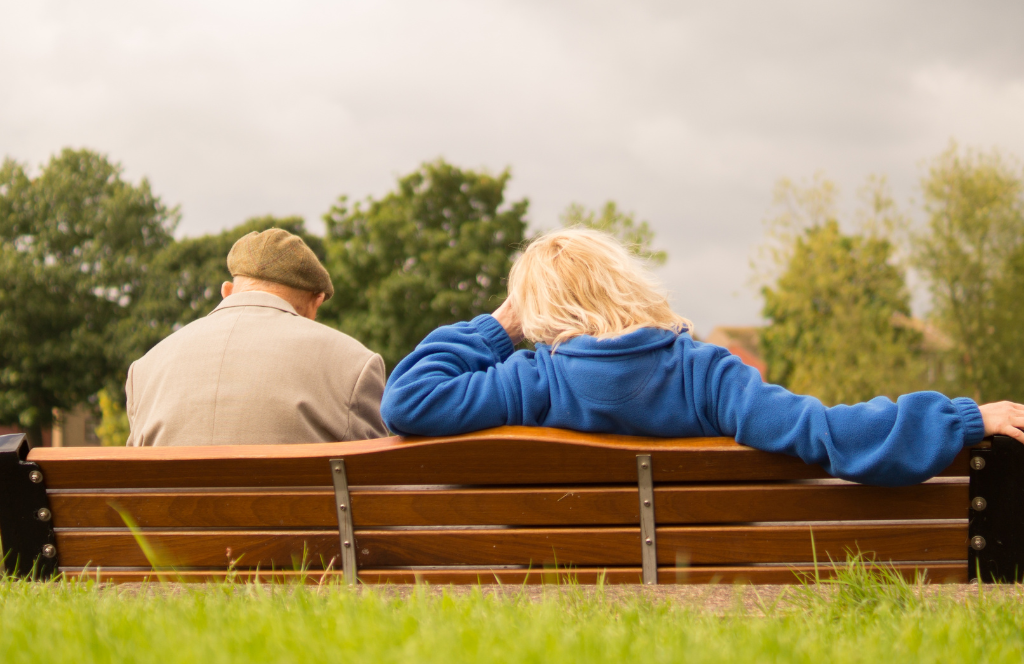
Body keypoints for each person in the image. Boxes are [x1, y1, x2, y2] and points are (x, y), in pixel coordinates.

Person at [381, 227, 1024, 487]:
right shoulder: (704, 375)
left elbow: (407, 400)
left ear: (540, 312)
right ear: (625, 283)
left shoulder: (528, 380)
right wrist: (963, 419)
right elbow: (825, 433)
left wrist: (499, 327)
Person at [126, 228, 388, 446]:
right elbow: (377, 483)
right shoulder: (355, 364)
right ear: (316, 301)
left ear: (227, 291)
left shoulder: (144, 369)